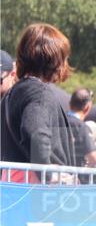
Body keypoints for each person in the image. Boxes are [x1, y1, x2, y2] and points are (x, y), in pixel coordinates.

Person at [0, 23, 76, 171]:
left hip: (16, 186)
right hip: (40, 190)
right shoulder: (38, 93)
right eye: (64, 58)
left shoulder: (12, 93)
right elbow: (35, 133)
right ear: (55, 59)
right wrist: (49, 174)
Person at [66, 88, 96, 168]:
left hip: (53, 175)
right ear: (87, 107)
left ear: (70, 104)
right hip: (74, 177)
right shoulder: (81, 126)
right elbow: (94, 159)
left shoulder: (56, 120)